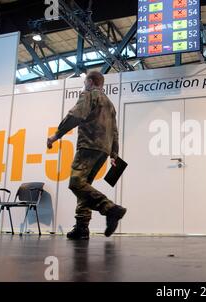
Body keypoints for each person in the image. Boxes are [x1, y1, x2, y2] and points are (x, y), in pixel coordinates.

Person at [47, 71, 126, 240]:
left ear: (90, 82)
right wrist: (114, 154)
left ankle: (110, 209)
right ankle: (82, 227)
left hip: (88, 145)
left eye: (85, 82)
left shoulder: (89, 95)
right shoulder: (110, 104)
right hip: (103, 151)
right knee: (85, 187)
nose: (84, 85)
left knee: (76, 183)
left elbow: (75, 115)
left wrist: (56, 136)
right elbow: (114, 131)